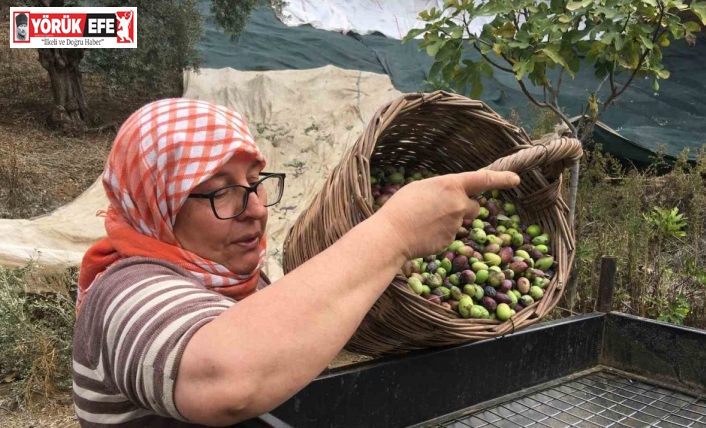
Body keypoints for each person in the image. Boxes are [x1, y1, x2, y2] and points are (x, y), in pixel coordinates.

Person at [72, 98, 520, 427]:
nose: (255, 209)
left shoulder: (242, 282)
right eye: (220, 189)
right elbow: (227, 380)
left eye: (254, 182)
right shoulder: (123, 291)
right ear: (157, 203)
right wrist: (396, 233)